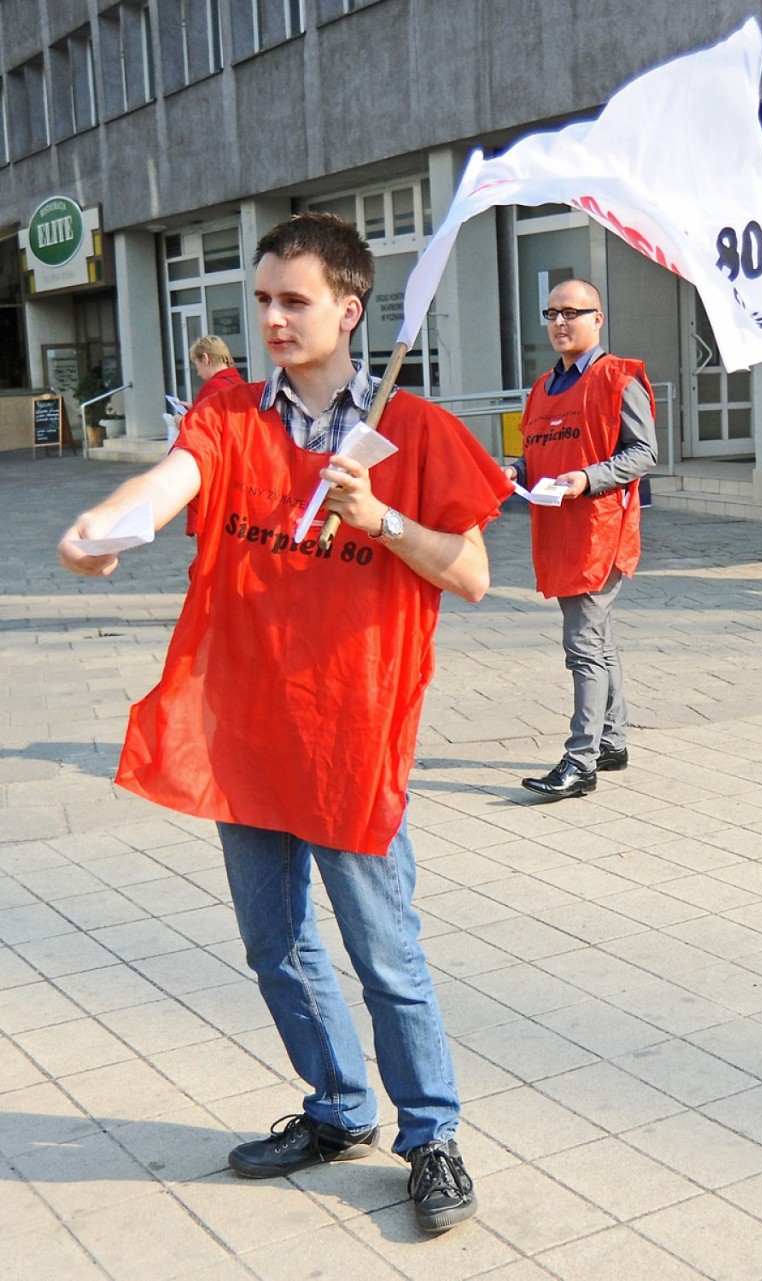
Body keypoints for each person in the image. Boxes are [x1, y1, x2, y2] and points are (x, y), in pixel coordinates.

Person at [58, 212, 512, 1234]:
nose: (271, 317)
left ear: (349, 309)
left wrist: (383, 521)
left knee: (385, 953)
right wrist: (107, 528)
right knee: (278, 948)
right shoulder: (231, 414)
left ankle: (431, 1136)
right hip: (246, 735)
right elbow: (170, 483)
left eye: (292, 300)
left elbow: (475, 574)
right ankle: (338, 1108)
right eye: (260, 300)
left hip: (350, 739)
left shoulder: (419, 433)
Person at [503, 278, 657, 800]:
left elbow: (644, 453)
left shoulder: (618, 378)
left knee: (583, 646)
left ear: (598, 318)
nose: (560, 322)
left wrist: (587, 478)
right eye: (551, 313)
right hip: (557, 528)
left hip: (600, 531)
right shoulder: (543, 387)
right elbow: (538, 453)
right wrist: (515, 469)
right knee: (599, 640)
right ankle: (611, 742)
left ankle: (580, 760)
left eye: (571, 312)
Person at [179, 335, 245, 536]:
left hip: (217, 472)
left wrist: (182, 420)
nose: (197, 372)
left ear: (206, 358)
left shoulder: (212, 388)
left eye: (196, 364)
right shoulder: (239, 382)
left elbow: (198, 431)